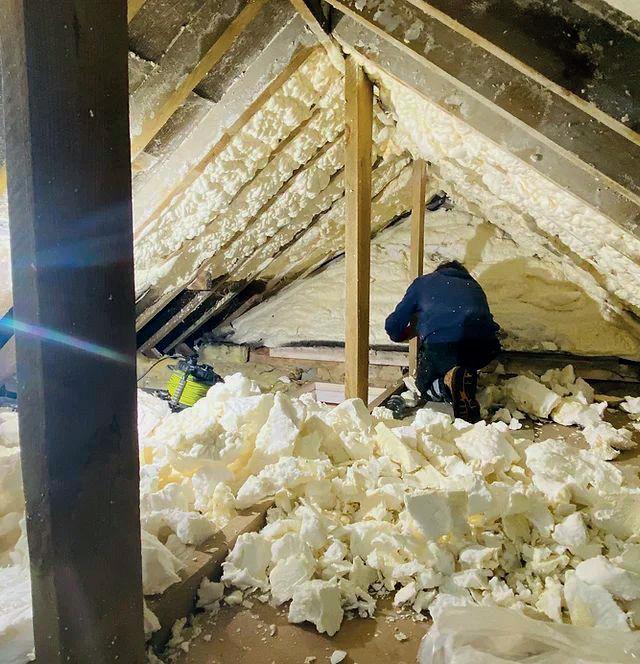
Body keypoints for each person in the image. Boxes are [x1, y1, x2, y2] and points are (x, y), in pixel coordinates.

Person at [385, 260, 500, 422]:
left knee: (424, 386)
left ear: (438, 271)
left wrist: (402, 334)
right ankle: (463, 378)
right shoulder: (474, 286)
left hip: (443, 346)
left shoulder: (423, 283)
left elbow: (394, 325)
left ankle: (447, 385)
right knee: (466, 365)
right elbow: (489, 324)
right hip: (483, 348)